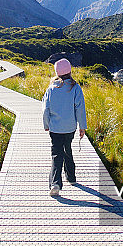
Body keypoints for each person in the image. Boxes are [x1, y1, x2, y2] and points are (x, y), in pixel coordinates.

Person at [42, 58, 87, 197]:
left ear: (57, 72)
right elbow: (80, 109)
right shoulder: (75, 87)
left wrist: (46, 124)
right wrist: (82, 126)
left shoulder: (51, 89)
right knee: (67, 149)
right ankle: (71, 178)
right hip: (70, 128)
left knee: (56, 154)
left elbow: (45, 109)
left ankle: (55, 183)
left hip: (55, 128)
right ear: (69, 71)